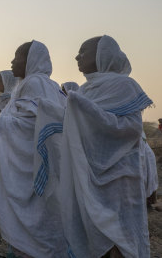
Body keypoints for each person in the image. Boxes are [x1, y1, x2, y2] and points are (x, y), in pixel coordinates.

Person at [57, 35, 152, 257]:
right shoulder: (84, 90)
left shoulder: (124, 86)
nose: (77, 57)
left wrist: (86, 110)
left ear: (102, 55)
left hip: (119, 176)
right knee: (91, 227)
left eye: (83, 52)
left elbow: (131, 128)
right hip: (88, 173)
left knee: (119, 233)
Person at [0, 40, 66, 257]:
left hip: (35, 163)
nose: (12, 61)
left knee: (36, 215)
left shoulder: (36, 82)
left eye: (17, 57)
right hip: (39, 163)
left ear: (31, 60)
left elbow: (31, 126)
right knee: (41, 214)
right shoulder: (37, 84)